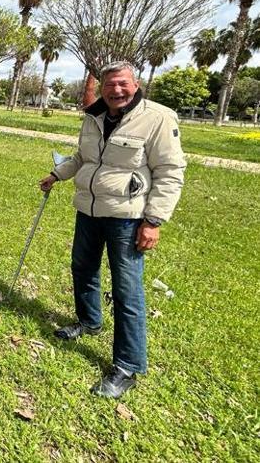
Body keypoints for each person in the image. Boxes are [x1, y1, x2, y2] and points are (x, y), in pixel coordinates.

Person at [39, 61, 186, 398]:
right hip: (89, 210)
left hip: (128, 217)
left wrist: (153, 221)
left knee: (126, 290)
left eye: (122, 83)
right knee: (82, 268)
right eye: (110, 85)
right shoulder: (94, 116)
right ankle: (89, 322)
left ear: (135, 84)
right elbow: (83, 158)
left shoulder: (158, 118)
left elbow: (170, 172)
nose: (116, 90)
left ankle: (127, 366)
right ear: (102, 87)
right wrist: (57, 174)